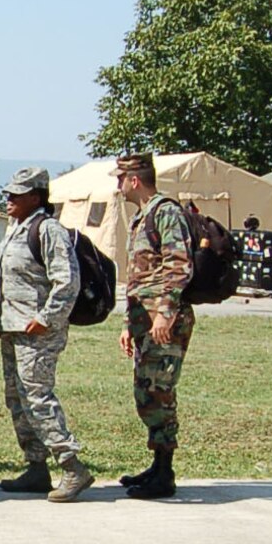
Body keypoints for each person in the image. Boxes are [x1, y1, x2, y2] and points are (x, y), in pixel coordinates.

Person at [0, 167, 90, 501]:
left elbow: (67, 281)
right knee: (17, 399)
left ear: (36, 197)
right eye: (7, 194)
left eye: (16, 195)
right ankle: (36, 466)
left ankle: (72, 466)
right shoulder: (15, 230)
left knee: (38, 398)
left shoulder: (48, 230)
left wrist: (47, 318)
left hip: (38, 333)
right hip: (13, 329)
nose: (8, 200)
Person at [114, 154, 192, 500]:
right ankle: (157, 465)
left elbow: (178, 265)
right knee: (146, 392)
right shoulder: (142, 216)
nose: (118, 186)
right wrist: (131, 323)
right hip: (145, 319)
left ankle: (165, 472)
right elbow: (141, 275)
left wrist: (165, 312)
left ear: (134, 180)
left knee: (160, 391)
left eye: (121, 179)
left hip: (164, 321)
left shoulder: (166, 212)